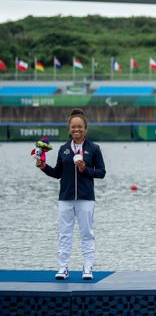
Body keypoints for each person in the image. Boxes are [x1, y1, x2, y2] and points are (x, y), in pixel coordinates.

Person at [35, 108, 106, 281]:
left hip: (85, 198)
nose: (76, 130)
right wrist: (43, 167)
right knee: (64, 234)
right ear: (69, 128)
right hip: (65, 198)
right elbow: (58, 173)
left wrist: (85, 169)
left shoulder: (94, 149)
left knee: (86, 234)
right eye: (73, 127)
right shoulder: (64, 149)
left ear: (85, 129)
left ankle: (88, 268)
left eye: (80, 127)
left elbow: (102, 172)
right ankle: (63, 268)